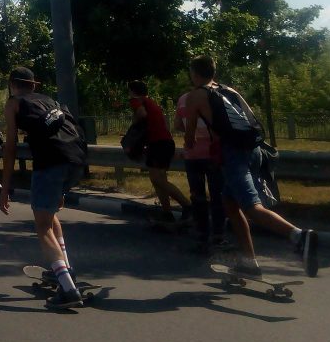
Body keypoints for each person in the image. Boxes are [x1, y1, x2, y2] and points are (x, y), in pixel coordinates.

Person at [184, 55, 318, 277]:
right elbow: (252, 119)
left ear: (194, 73)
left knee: (251, 206)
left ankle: (299, 236)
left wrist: (192, 142)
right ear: (213, 71)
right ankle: (249, 262)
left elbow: (189, 135)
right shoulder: (230, 91)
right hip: (254, 150)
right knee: (229, 203)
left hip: (232, 153)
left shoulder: (196, 96)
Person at [0, 67, 88, 309]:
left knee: (42, 226)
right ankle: (64, 271)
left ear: (12, 84)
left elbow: (10, 148)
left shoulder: (14, 104)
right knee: (50, 215)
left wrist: (4, 188)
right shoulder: (49, 100)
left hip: (50, 164)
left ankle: (68, 290)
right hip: (76, 161)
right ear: (33, 85)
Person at [128, 80, 192, 222]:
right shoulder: (150, 101)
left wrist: (134, 127)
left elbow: (141, 114)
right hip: (165, 142)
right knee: (159, 179)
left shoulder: (136, 100)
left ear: (133, 91)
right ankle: (167, 213)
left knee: (157, 179)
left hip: (158, 143)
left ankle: (187, 205)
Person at [175, 86, 226, 252]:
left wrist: (193, 130)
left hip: (192, 154)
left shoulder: (183, 99)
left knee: (198, 195)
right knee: (217, 195)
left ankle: (202, 234)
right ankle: (218, 235)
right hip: (213, 153)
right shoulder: (214, 98)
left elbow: (178, 125)